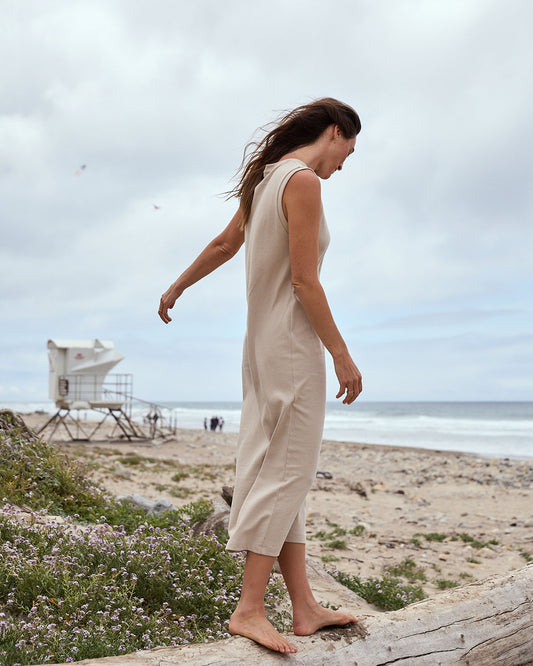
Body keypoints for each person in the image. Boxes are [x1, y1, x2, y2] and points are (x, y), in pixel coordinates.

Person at [159, 98, 363, 654]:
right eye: (349, 149)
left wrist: (177, 287)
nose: (346, 162)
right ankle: (249, 609)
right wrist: (341, 354)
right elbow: (305, 282)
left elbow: (226, 245)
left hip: (260, 347)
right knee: (288, 471)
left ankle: (303, 606)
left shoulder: (265, 181)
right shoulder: (301, 182)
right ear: (334, 131)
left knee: (285, 472)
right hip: (294, 347)